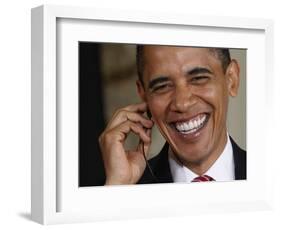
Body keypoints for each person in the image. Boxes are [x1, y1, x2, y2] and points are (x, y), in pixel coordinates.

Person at [98, 45, 246, 185]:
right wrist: (117, 187)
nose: (182, 104)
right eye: (162, 86)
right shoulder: (127, 188)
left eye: (198, 78)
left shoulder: (267, 175)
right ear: (143, 94)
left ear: (231, 80)